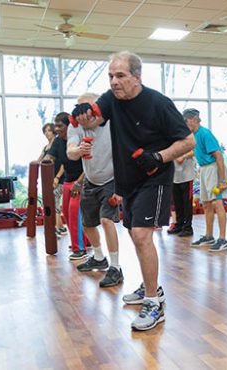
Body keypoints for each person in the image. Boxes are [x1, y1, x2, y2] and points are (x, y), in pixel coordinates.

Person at [73, 51, 195, 331]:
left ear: (137, 76)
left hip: (155, 176)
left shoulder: (158, 104)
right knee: (135, 235)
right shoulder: (111, 99)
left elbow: (188, 142)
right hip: (128, 180)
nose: (114, 82)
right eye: (111, 76)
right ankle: (149, 286)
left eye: (120, 76)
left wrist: (158, 157)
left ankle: (154, 302)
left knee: (141, 234)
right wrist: (83, 116)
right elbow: (94, 121)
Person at [67, 93, 123, 287]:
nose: (82, 113)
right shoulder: (75, 126)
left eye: (87, 108)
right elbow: (71, 152)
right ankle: (99, 258)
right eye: (79, 108)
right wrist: (79, 150)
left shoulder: (111, 122)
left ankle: (115, 267)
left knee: (106, 220)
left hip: (112, 178)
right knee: (88, 222)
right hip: (91, 179)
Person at [45, 113, 89, 260]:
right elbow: (49, 157)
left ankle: (79, 249)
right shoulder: (58, 142)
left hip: (82, 180)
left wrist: (79, 182)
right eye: (55, 125)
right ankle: (85, 241)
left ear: (69, 126)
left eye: (60, 126)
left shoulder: (79, 139)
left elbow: (89, 166)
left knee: (74, 213)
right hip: (67, 181)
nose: (56, 129)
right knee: (66, 213)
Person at [183, 109, 227, 251]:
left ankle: (223, 239)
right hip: (204, 169)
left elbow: (219, 157)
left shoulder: (205, 133)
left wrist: (222, 181)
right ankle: (209, 236)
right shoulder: (193, 135)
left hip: (214, 169)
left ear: (194, 119)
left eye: (187, 121)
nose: (185, 124)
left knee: (217, 203)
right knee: (207, 204)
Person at [38, 123, 67, 237]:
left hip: (59, 179)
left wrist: (57, 177)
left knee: (54, 202)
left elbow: (64, 164)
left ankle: (56, 228)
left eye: (49, 131)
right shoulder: (46, 147)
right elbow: (40, 159)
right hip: (49, 179)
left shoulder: (58, 144)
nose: (47, 133)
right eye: (45, 131)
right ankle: (61, 227)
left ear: (54, 132)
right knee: (53, 202)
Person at [167, 151, 195, 237]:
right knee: (177, 203)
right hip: (175, 176)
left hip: (187, 176)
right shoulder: (170, 139)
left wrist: (183, 156)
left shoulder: (189, 138)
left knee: (187, 203)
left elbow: (194, 150)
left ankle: (188, 227)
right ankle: (179, 225)